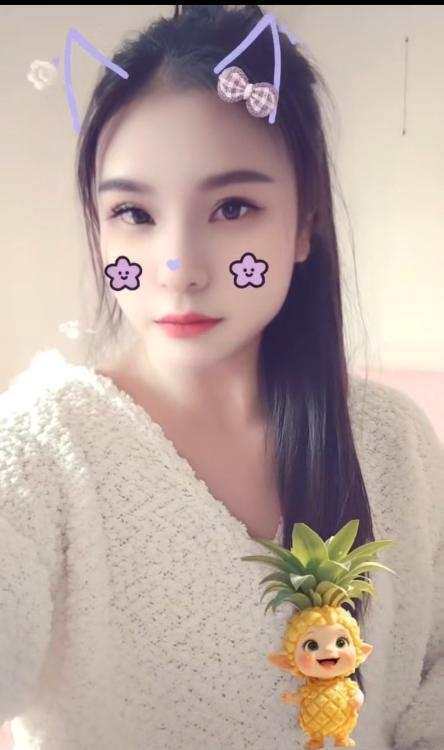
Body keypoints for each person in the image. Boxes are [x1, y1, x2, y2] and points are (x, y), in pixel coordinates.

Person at [0, 5, 443, 750]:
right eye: (133, 212)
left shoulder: (394, 440)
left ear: (304, 223)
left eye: (233, 207)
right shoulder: (43, 448)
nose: (179, 271)